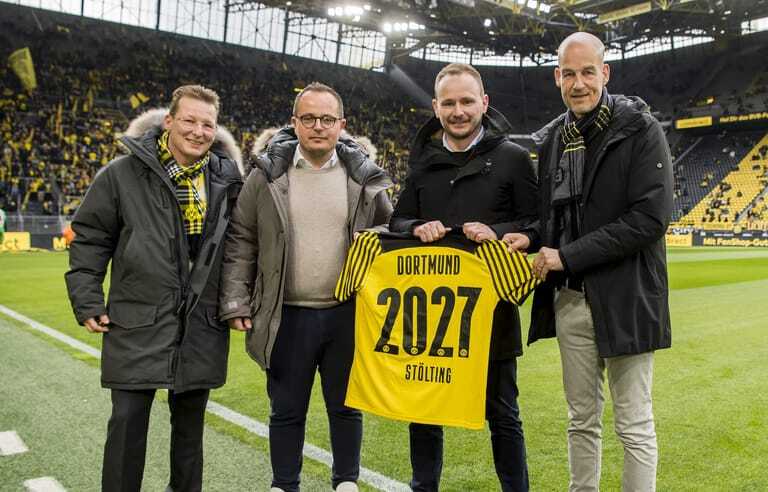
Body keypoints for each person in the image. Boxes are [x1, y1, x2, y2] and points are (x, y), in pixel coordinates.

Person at [503, 32, 673, 491]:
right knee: (581, 420)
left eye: (588, 72)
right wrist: (531, 237)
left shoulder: (641, 129)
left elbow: (649, 219)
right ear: (556, 77)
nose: (579, 83)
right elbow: (553, 219)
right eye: (569, 74)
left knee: (633, 423)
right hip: (570, 299)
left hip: (626, 297)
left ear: (606, 73)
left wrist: (566, 255)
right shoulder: (554, 139)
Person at [65, 85, 243, 492]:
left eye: (207, 124)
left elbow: (239, 247)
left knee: (190, 434)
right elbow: (90, 238)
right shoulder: (121, 174)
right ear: (169, 121)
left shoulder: (227, 179)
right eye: (189, 121)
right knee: (127, 425)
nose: (198, 131)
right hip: (137, 319)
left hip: (200, 324)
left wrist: (236, 302)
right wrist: (87, 299)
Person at [218, 82, 393, 492]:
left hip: (347, 312)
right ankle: (284, 484)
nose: (318, 126)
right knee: (286, 409)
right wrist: (236, 300)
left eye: (327, 119)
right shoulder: (266, 175)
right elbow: (242, 238)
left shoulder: (363, 177)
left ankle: (346, 481)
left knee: (346, 406)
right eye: (309, 118)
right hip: (285, 313)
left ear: (341, 125)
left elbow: (389, 231)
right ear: (294, 122)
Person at [390, 63, 538, 492]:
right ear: (436, 107)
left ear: (484, 103)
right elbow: (397, 221)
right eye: (449, 103)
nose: (459, 111)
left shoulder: (512, 158)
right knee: (424, 413)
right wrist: (417, 227)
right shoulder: (422, 163)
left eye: (467, 101)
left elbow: (538, 225)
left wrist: (498, 232)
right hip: (433, 316)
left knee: (503, 414)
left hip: (491, 313)